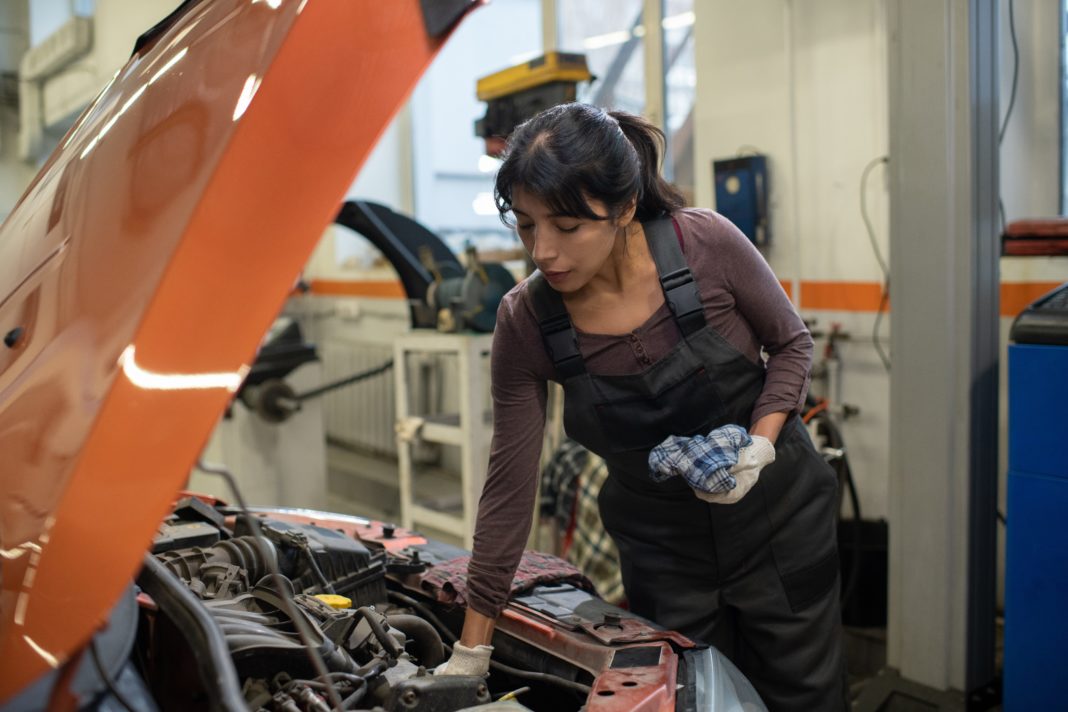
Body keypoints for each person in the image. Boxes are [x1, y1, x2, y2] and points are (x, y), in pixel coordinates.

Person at [436, 103, 846, 711]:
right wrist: (472, 652)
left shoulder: (704, 243)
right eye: (525, 226)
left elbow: (791, 344)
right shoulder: (525, 321)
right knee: (688, 699)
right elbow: (508, 488)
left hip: (778, 526)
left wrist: (759, 444)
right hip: (663, 552)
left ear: (624, 207)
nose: (543, 252)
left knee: (804, 695)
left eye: (568, 227)